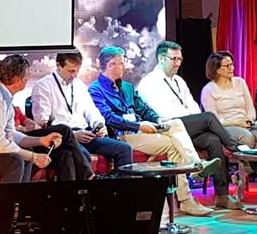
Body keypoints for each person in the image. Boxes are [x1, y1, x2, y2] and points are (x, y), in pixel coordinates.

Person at [88, 46, 219, 216]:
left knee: (174, 125)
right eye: (121, 63)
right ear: (110, 64)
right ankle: (192, 181)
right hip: (124, 135)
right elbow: (108, 118)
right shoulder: (95, 89)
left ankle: (192, 178)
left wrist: (158, 120)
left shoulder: (127, 87)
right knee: (174, 144)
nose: (124, 66)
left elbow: (143, 108)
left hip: (141, 130)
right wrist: (138, 126)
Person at [0, 55, 92, 182]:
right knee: (14, 162)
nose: (29, 78)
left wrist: (40, 140)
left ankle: (20, 201)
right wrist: (34, 156)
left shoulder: (2, 95)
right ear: (17, 80)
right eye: (27, 75)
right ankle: (7, 204)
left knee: (23, 157)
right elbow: (0, 145)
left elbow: (10, 134)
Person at [136, 41, 244, 209]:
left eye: (180, 59)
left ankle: (222, 195)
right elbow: (162, 114)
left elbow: (192, 105)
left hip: (187, 126)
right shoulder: (149, 83)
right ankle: (238, 150)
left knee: (213, 140)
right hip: (169, 128)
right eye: (174, 59)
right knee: (208, 117)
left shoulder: (179, 80)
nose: (178, 63)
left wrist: (196, 120)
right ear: (161, 59)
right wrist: (196, 120)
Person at [30, 50, 133, 170]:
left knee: (124, 149)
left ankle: (122, 182)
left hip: (85, 134)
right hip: (63, 138)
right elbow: (42, 121)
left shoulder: (79, 85)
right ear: (58, 66)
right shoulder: (43, 86)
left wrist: (98, 125)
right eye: (71, 71)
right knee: (83, 156)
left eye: (77, 70)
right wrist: (72, 135)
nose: (74, 75)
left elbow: (91, 111)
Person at [201, 51, 257, 150]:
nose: (232, 68)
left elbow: (250, 107)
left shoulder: (240, 82)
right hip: (226, 126)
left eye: (232, 64)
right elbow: (213, 120)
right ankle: (245, 160)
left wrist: (250, 120)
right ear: (217, 70)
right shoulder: (208, 90)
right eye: (227, 66)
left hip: (245, 123)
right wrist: (236, 122)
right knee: (247, 137)